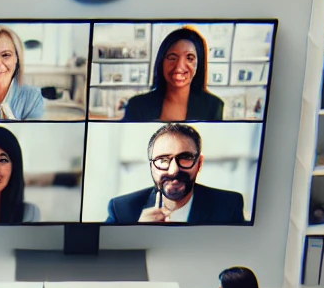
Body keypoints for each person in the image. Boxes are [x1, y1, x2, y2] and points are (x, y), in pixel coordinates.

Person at [105, 123, 246, 225]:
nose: (173, 171)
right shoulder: (122, 210)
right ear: (151, 166)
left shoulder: (229, 206)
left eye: (185, 158)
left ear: (199, 163)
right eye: (162, 160)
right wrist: (138, 233)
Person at [122, 27, 225, 123]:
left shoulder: (213, 106)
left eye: (189, 58)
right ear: (161, 61)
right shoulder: (137, 105)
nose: (179, 67)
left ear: (199, 64)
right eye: (172, 57)